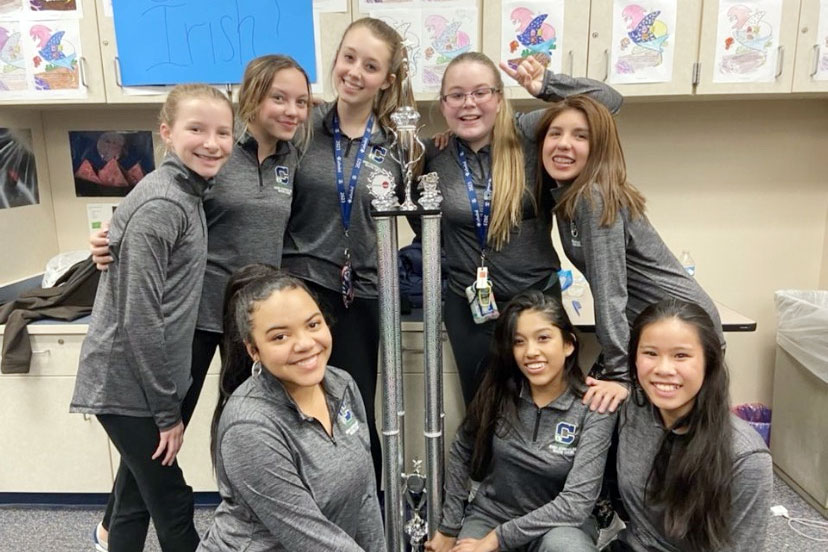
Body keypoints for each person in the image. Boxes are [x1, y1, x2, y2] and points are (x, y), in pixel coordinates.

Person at [88, 54, 312, 551]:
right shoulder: (214, 154)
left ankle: (122, 524)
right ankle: (119, 525)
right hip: (192, 317)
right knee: (163, 436)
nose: (291, 110)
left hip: (251, 320)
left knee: (243, 426)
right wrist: (109, 238)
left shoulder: (292, 159)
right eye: (279, 97)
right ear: (252, 97)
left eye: (301, 100)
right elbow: (156, 211)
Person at [70, 83, 235, 552]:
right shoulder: (163, 203)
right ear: (166, 132)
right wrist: (167, 412)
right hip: (126, 387)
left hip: (136, 385)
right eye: (196, 129)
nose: (211, 142)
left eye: (223, 132)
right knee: (172, 499)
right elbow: (139, 317)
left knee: (132, 502)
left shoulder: (187, 193)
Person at [427, 54, 623, 408]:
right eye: (456, 95)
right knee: (482, 410)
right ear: (443, 105)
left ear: (500, 97)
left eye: (480, 92)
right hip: (469, 306)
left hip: (536, 299)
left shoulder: (530, 133)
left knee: (546, 407)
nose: (468, 103)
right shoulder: (433, 155)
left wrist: (546, 85)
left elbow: (609, 102)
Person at [281, 17, 415, 486]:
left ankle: (366, 514)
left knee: (353, 408)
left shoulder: (401, 145)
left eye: (371, 65)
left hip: (365, 295)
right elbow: (240, 185)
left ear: (387, 80)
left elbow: (430, 219)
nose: (356, 72)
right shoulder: (300, 127)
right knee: (295, 410)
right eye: (349, 57)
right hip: (299, 290)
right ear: (335, 59)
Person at [536, 95, 723, 411]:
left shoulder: (592, 198)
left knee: (637, 422)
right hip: (652, 326)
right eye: (555, 133)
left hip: (681, 327)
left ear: (599, 149)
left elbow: (610, 293)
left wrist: (621, 375)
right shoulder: (570, 195)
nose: (564, 144)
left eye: (581, 136)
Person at [198, 264, 385, 552]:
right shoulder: (249, 426)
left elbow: (365, 496)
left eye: (313, 324)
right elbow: (311, 537)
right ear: (254, 350)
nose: (305, 344)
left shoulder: (341, 385)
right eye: (279, 337)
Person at [426, 290, 616, 552]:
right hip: (491, 516)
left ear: (568, 344)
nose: (531, 352)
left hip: (561, 526)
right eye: (519, 342)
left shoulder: (594, 406)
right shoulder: (499, 392)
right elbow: (462, 448)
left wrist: (496, 539)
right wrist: (448, 527)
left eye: (543, 338)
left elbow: (575, 505)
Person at [613, 298, 772, 551]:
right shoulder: (631, 412)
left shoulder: (745, 457)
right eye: (650, 353)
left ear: (709, 361)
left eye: (681, 355)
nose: (664, 368)